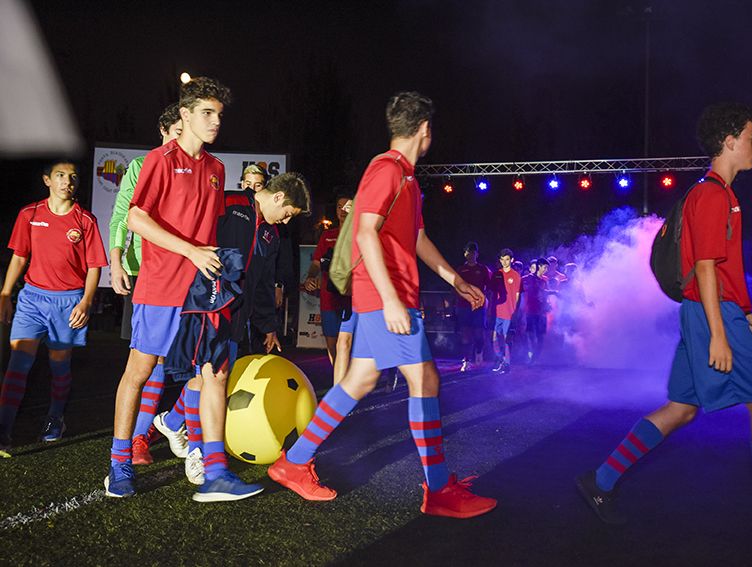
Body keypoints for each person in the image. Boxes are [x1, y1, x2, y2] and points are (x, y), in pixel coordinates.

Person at [575, 102, 752, 549]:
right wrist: (722, 332)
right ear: (729, 140)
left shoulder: (717, 193)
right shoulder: (713, 194)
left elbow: (716, 269)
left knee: (681, 408)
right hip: (710, 314)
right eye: (751, 137)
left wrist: (747, 311)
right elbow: (703, 268)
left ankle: (599, 482)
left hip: (709, 310)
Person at [267, 91, 497, 518]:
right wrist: (391, 300)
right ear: (425, 130)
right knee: (426, 381)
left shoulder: (408, 180)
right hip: (386, 299)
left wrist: (455, 279)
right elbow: (366, 233)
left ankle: (293, 462)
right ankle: (439, 490)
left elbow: (417, 239)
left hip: (387, 298)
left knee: (357, 382)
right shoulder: (386, 169)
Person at [104, 76, 260, 502]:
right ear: (186, 115)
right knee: (139, 371)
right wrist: (190, 251)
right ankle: (119, 464)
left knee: (215, 373)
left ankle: (216, 474)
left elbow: (206, 229)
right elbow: (136, 218)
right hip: (159, 286)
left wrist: (213, 265)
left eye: (219, 115)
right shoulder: (159, 159)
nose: (215, 122)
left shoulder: (217, 169)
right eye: (207, 113)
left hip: (201, 290)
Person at [157, 171, 311, 487]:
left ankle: (173, 422)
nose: (285, 222)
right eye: (287, 214)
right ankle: (199, 454)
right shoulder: (229, 203)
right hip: (205, 307)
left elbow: (264, 284)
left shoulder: (271, 235)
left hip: (236, 317)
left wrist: (268, 326)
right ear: (279, 197)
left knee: (212, 378)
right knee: (208, 377)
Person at [0, 160, 107, 455]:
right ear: (47, 180)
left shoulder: (85, 220)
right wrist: (5, 293)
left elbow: (95, 266)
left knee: (59, 366)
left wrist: (86, 301)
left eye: (73, 177)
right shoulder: (29, 214)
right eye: (60, 175)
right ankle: (3, 430)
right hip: (32, 300)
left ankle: (55, 417)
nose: (67, 182)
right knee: (17, 366)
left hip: (69, 302)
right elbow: (20, 257)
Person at [108, 103, 183, 465]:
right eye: (175, 134)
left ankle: (148, 432)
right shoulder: (141, 166)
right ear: (163, 133)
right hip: (144, 273)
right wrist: (117, 259)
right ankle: (132, 442)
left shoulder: (197, 170)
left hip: (178, 275)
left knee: (168, 360)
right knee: (143, 361)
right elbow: (124, 215)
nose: (179, 142)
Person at [303, 194, 354, 384]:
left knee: (348, 343)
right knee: (332, 343)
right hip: (329, 297)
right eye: (339, 207)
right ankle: (340, 380)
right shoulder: (327, 235)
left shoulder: (361, 235)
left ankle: (346, 385)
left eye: (347, 207)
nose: (342, 211)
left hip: (353, 298)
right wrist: (310, 276)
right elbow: (316, 263)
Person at [455, 241, 491, 372]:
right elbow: (455, 287)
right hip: (463, 307)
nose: (471, 255)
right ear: (465, 254)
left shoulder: (483, 269)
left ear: (477, 254)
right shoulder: (460, 270)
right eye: (469, 252)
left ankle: (479, 354)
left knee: (479, 333)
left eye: (474, 253)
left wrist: (488, 305)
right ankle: (466, 360)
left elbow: (490, 287)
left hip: (479, 307)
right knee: (465, 334)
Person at [490, 248, 522, 374]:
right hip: (497, 312)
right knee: (494, 339)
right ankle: (500, 359)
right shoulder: (496, 274)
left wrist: (516, 312)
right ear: (500, 260)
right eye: (502, 259)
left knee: (506, 339)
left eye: (507, 259)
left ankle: (507, 364)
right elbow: (492, 293)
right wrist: (489, 309)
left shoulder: (516, 276)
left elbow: (518, 296)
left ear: (511, 260)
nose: (505, 262)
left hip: (509, 313)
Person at [521, 258, 549, 364]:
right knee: (530, 334)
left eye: (547, 268)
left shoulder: (544, 280)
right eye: (545, 267)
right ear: (539, 266)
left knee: (541, 336)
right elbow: (521, 294)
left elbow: (544, 294)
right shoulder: (527, 279)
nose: (546, 270)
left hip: (542, 312)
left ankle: (536, 357)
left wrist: (548, 304)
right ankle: (531, 356)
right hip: (530, 311)